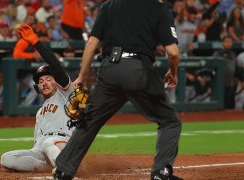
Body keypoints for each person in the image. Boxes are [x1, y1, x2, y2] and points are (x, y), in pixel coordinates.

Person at [53, 0, 182, 180]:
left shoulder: (109, 5)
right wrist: (173, 72)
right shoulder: (159, 8)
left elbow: (92, 43)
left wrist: (82, 76)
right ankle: (161, 171)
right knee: (170, 121)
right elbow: (173, 52)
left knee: (89, 120)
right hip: (138, 71)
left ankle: (63, 170)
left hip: (109, 71)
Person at [0, 23, 76, 172]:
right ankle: (45, 167)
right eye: (40, 82)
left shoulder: (66, 94)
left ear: (56, 81)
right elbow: (36, 143)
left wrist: (36, 42)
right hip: (42, 149)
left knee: (48, 143)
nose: (44, 83)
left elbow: (55, 64)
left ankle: (65, 168)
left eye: (48, 79)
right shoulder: (40, 112)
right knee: (7, 158)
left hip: (63, 143)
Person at [213, 35, 237, 109]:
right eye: (226, 42)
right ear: (222, 43)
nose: (228, 43)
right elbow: (213, 66)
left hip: (231, 83)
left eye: (230, 42)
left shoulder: (233, 54)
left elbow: (235, 68)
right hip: (221, 84)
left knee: (230, 105)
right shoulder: (218, 53)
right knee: (222, 106)